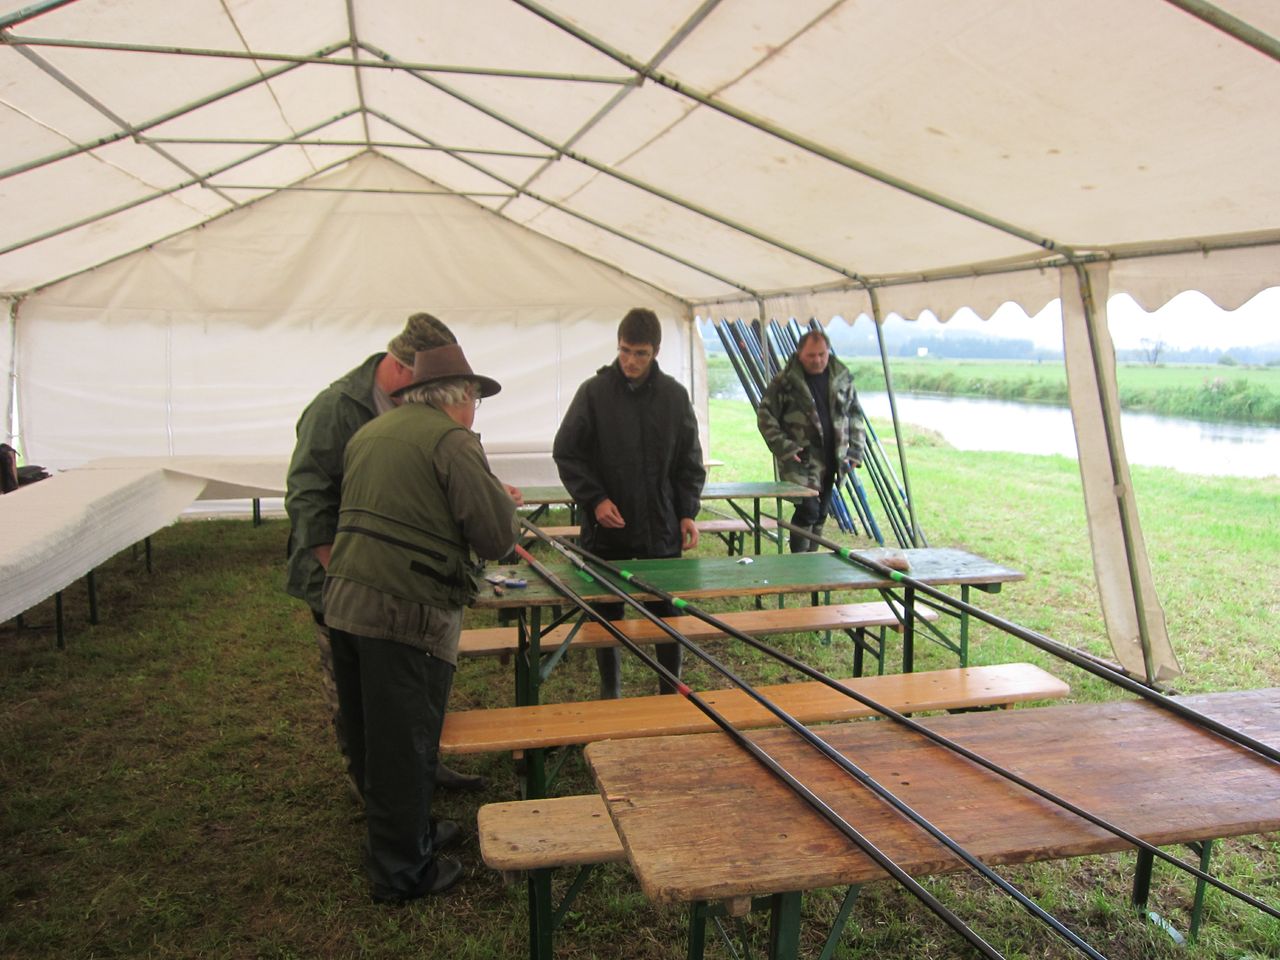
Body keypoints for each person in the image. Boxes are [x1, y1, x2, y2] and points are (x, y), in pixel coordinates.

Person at [322, 343, 520, 903]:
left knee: (373, 736)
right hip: (405, 607)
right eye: (476, 400)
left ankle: (403, 837)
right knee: (406, 741)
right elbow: (495, 536)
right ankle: (402, 871)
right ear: (462, 396)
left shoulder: (371, 433)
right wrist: (502, 503)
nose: (475, 411)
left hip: (345, 600)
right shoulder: (451, 441)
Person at [285, 312, 494, 794]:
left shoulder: (414, 411)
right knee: (355, 692)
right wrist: (342, 572)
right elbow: (307, 497)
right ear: (403, 368)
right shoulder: (337, 408)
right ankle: (372, 789)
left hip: (404, 583)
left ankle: (419, 768)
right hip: (343, 581)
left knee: (408, 689)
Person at [552, 308, 706, 698]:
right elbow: (567, 452)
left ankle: (669, 690)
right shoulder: (593, 393)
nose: (630, 361)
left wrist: (687, 512)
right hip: (607, 531)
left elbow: (689, 462)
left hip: (661, 530)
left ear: (656, 352)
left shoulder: (674, 397)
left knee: (667, 614)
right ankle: (611, 691)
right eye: (624, 351)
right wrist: (595, 500)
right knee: (606, 615)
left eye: (640, 353)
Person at [757, 328, 865, 552]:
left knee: (822, 511)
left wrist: (856, 450)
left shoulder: (842, 377)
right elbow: (765, 417)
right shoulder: (785, 381)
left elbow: (855, 414)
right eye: (811, 356)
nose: (817, 360)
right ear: (799, 354)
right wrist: (784, 447)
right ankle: (799, 561)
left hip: (833, 456)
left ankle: (812, 559)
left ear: (828, 352)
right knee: (808, 511)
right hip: (802, 459)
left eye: (822, 355)